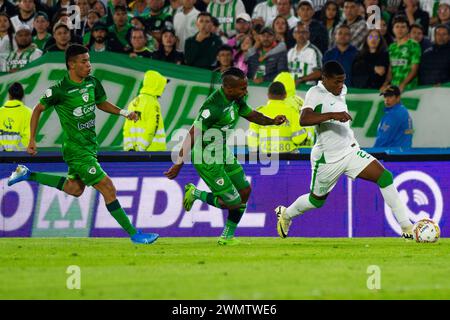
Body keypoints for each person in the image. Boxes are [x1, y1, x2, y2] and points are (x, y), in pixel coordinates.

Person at [7, 44, 159, 245]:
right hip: (76, 150)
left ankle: (27, 174)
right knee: (108, 187)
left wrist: (124, 113)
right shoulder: (59, 90)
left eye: (89, 60)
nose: (89, 65)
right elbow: (37, 110)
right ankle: (135, 234)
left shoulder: (92, 83)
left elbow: (101, 103)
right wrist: (32, 140)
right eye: (84, 61)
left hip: (89, 147)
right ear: (71, 65)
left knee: (74, 189)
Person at [274, 60, 414, 241]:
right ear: (324, 79)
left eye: (343, 81)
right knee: (315, 201)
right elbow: (304, 119)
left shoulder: (341, 89)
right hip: (327, 158)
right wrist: (332, 116)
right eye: (337, 82)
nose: (341, 86)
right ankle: (286, 215)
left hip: (350, 150)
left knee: (384, 177)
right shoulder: (315, 93)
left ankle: (407, 227)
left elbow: (334, 87)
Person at [164, 67, 287, 245]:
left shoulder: (237, 99)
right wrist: (178, 163)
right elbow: (192, 134)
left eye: (245, 87)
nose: (246, 91)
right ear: (228, 88)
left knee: (245, 191)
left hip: (222, 151)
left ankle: (226, 237)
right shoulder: (213, 106)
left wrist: (272, 121)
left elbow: (253, 115)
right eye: (242, 88)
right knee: (233, 203)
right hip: (206, 158)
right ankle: (195, 193)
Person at [248, 81, 307, 153]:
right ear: (285, 95)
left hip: (266, 157)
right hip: (288, 157)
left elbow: (252, 139)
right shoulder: (292, 112)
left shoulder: (259, 112)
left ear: (268, 95)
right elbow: (298, 138)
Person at [123, 70, 168, 151]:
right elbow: (152, 128)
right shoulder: (153, 103)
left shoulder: (133, 102)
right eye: (162, 85)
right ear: (157, 85)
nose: (164, 88)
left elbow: (127, 128)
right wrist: (141, 149)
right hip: (153, 151)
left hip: (133, 151)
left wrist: (129, 147)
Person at [382, 15, 421, 92]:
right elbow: (390, 68)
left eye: (403, 27)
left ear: (407, 29)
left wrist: (403, 84)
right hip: (393, 88)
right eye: (397, 27)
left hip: (409, 88)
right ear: (393, 29)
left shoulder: (414, 44)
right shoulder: (391, 47)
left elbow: (414, 68)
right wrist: (385, 83)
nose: (400, 29)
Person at [288, 21, 323, 86]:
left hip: (307, 89)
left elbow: (319, 72)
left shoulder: (313, 51)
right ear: (294, 35)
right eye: (298, 32)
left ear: (308, 34)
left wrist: (301, 79)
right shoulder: (290, 52)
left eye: (304, 32)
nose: (301, 35)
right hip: (291, 89)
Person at [0, 82, 31, 151]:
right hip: (20, 158)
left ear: (9, 95)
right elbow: (28, 138)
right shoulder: (29, 113)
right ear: (22, 96)